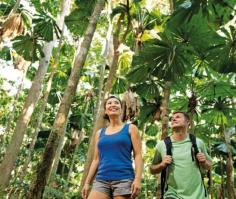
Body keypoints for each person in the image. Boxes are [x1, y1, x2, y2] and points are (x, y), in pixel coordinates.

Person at [82, 95, 143, 199]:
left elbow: (138, 155)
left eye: (116, 102)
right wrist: (87, 182)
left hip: (124, 179)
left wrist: (137, 179)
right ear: (105, 111)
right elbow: (96, 160)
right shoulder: (99, 133)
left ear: (121, 109)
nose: (113, 104)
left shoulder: (131, 128)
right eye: (109, 103)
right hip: (101, 180)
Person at [150, 111, 212, 199]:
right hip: (172, 194)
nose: (174, 119)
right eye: (172, 118)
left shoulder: (198, 143)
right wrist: (162, 164)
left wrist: (204, 161)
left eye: (178, 117)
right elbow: (152, 169)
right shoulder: (162, 145)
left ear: (188, 122)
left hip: (198, 195)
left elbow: (209, 165)